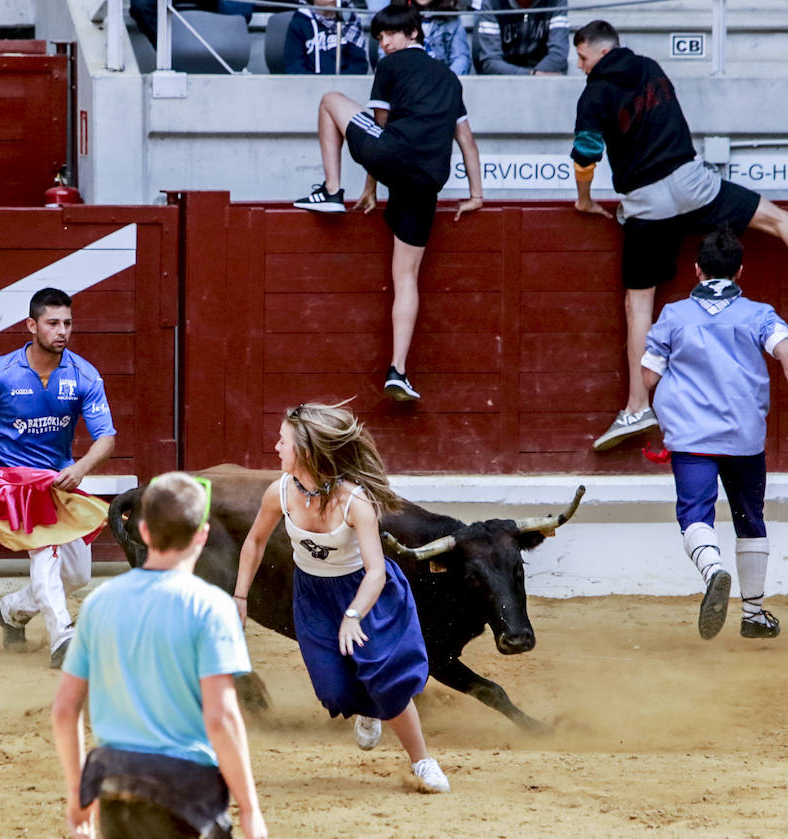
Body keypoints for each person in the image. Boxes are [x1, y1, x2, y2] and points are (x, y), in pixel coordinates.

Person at [568, 20, 788, 453]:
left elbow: (587, 154)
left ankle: (638, 405)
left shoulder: (593, 94)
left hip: (646, 201)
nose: (580, 65)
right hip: (691, 182)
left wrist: (585, 200)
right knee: (780, 220)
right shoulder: (650, 69)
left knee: (638, 303)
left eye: (582, 57)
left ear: (599, 53)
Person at [234, 402, 450, 794]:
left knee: (386, 679)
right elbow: (255, 541)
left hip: (366, 594)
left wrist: (353, 614)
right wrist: (240, 596)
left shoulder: (356, 502)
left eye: (282, 441)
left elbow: (377, 571)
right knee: (332, 691)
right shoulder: (278, 492)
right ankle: (370, 712)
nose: (276, 447)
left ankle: (423, 762)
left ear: (306, 449)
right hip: (313, 596)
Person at [52, 472, 267, 839]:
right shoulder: (213, 607)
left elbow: (64, 710)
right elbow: (221, 718)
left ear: (145, 533)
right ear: (202, 535)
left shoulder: (98, 603)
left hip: (116, 781)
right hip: (187, 785)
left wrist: (77, 792)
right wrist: (249, 808)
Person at [293, 4, 484, 402]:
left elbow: (379, 129)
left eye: (390, 35)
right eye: (379, 38)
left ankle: (331, 190)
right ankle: (398, 369)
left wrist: (370, 186)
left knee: (330, 98)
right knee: (406, 279)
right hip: (427, 181)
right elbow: (466, 141)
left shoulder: (391, 67)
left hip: (394, 157)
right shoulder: (451, 79)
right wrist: (476, 196)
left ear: (413, 32)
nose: (384, 44)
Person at [641, 227, 788, 642]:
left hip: (691, 438)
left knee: (694, 514)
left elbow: (648, 375)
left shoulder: (674, 315)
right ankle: (753, 615)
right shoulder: (759, 314)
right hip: (743, 437)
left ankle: (713, 569)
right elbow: (787, 352)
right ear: (739, 270)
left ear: (697, 270)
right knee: (750, 519)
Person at [0, 287, 116, 667]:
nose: (62, 331)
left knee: (78, 573)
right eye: (53, 323)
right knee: (47, 551)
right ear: (31, 325)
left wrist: (81, 467)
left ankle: (10, 611)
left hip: (58, 481)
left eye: (68, 323)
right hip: (11, 483)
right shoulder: (0, 372)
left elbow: (106, 437)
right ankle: (63, 638)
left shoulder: (83, 375)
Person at [474, 0, 569, 75]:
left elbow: (559, 54)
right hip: (505, 80)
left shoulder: (556, 1)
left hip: (546, 77)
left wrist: (536, 74)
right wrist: (531, 75)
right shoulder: (492, 2)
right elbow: (490, 61)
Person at [284, 0, 370, 75]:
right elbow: (293, 66)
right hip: (309, 87)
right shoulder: (299, 22)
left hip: (346, 87)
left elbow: (359, 64)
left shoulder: (350, 20)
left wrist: (340, 83)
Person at [412, 0, 471, 75]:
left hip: (443, 81)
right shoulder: (398, 18)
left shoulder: (452, 19)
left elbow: (461, 59)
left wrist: (446, 81)